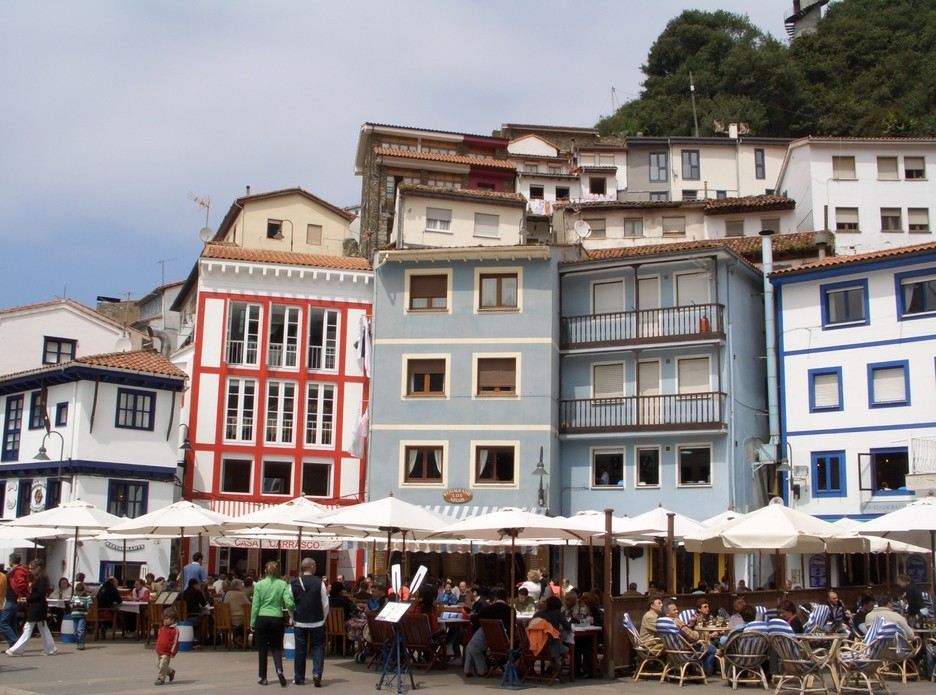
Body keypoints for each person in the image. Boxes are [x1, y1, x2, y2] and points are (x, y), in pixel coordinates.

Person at [251, 560, 295, 687]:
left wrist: (252, 622)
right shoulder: (282, 584)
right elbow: (288, 601)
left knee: (263, 649)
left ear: (265, 570)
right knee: (276, 647)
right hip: (277, 617)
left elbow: (255, 605)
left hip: (262, 618)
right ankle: (279, 670)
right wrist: (295, 608)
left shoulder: (259, 585)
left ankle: (263, 677)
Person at [6, 559, 57, 656]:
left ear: (38, 568)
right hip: (38, 606)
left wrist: (28, 599)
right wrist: (28, 599)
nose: (30, 571)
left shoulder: (42, 579)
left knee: (28, 627)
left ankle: (16, 649)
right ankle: (51, 648)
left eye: (31, 569)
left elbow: (41, 594)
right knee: (43, 628)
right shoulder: (39, 578)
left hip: (38, 607)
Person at [291, 557, 328, 687]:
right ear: (312, 566)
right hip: (317, 621)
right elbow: (325, 603)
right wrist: (323, 618)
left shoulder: (293, 582)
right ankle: (317, 673)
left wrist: (293, 617)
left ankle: (299, 677)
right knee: (318, 647)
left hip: (300, 621)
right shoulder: (320, 582)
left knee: (300, 649)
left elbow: (290, 603)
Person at [464, 588, 512, 678]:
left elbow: (476, 619)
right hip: (504, 641)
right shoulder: (510, 610)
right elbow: (512, 627)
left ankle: (476, 669)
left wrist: (472, 616)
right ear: (507, 599)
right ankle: (470, 669)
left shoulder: (489, 608)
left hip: (488, 638)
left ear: (496, 598)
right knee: (473, 645)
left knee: (471, 646)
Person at [665, 598, 716, 675]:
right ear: (667, 614)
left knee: (706, 646)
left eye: (676, 609)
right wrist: (697, 635)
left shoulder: (664, 622)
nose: (677, 611)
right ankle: (706, 671)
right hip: (686, 650)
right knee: (712, 648)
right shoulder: (677, 621)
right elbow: (692, 636)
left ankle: (697, 669)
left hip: (672, 651)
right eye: (674, 610)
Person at [2, 553, 29, 648]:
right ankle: (14, 645)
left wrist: (20, 595)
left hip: (12, 599)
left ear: (11, 560)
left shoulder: (18, 571)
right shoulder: (15, 571)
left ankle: (14, 644)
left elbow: (20, 583)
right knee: (12, 623)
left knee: (3, 623)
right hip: (12, 599)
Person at [154, 606, 179, 686]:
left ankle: (161, 678)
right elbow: (160, 638)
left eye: (167, 619)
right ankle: (170, 672)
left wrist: (172, 652)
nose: (165, 621)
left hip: (166, 652)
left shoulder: (174, 630)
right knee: (159, 665)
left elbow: (175, 642)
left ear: (173, 620)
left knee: (163, 665)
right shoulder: (162, 628)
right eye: (164, 618)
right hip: (159, 650)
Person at [224, 579, 251, 646]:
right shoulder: (241, 594)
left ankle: (237, 638)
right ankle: (239, 638)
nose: (242, 587)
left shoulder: (228, 593)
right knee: (251, 622)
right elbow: (248, 605)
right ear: (237, 586)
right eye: (241, 585)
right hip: (239, 618)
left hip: (228, 618)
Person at [182, 578, 207, 643]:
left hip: (183, 617)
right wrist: (201, 591)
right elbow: (204, 604)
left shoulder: (183, 593)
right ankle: (198, 638)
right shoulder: (197, 593)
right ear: (195, 584)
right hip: (194, 615)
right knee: (204, 618)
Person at [70, 582, 92, 650]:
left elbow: (90, 604)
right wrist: (74, 605)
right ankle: (78, 642)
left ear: (83, 591)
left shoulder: (87, 596)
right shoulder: (74, 596)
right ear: (76, 590)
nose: (79, 593)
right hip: (74, 615)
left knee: (80, 630)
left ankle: (81, 643)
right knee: (75, 631)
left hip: (82, 615)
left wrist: (84, 605)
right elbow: (71, 604)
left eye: (81, 592)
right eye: (78, 592)